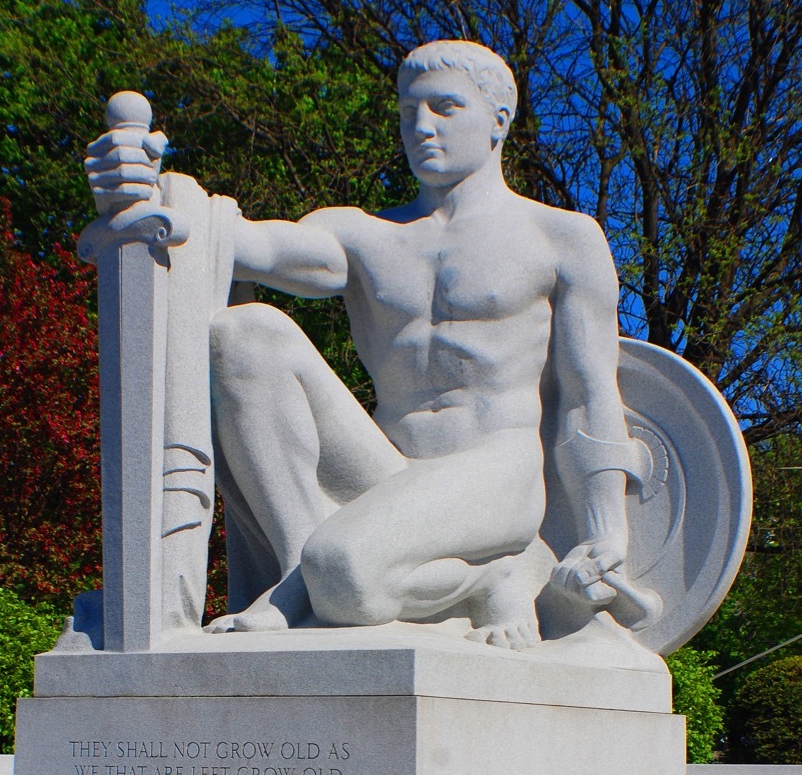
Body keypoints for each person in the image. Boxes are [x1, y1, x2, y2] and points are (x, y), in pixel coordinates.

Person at [86, 41, 652, 650]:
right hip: (385, 469)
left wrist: (606, 531)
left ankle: (487, 573)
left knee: (343, 570)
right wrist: (148, 198)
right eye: (409, 111)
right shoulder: (364, 234)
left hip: (495, 472)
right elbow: (252, 245)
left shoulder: (561, 238)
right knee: (242, 335)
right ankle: (302, 572)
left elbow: (590, 395)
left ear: (498, 120)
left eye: (445, 108)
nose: (421, 127)